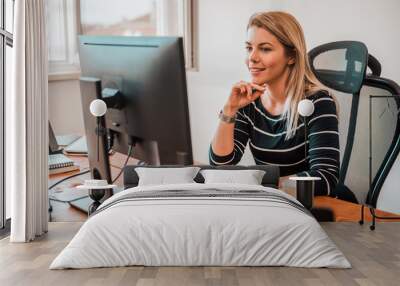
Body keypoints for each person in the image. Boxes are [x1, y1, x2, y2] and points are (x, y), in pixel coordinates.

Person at [210, 11, 355, 201]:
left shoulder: (317, 102)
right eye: (249, 48)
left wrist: (263, 185)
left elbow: (325, 177)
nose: (252, 58)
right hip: (275, 202)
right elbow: (221, 167)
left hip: (318, 207)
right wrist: (229, 110)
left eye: (265, 49)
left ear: (292, 56)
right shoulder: (248, 103)